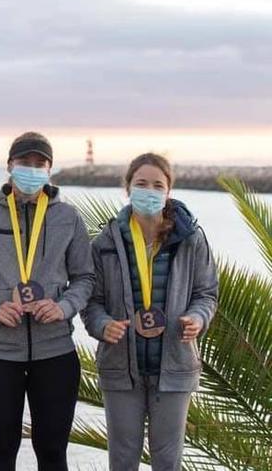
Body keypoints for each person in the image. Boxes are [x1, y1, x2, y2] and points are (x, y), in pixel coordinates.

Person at [0, 133, 94, 471]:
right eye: (24, 164)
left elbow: (86, 279)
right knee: (1, 451)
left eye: (39, 164)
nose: (31, 170)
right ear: (9, 167)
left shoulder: (69, 219)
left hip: (56, 353)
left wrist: (63, 307)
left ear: (49, 170)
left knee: (53, 452)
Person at [80, 153, 217, 471]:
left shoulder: (191, 239)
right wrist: (103, 325)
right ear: (127, 188)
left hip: (174, 368)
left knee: (167, 459)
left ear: (169, 190)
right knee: (123, 458)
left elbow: (206, 294)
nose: (149, 190)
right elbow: (91, 301)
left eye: (158, 184)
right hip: (120, 369)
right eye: (141, 183)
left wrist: (197, 319)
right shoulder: (106, 243)